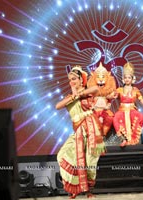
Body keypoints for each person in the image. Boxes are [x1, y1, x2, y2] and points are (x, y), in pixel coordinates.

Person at [56, 66, 105, 199]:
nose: (71, 81)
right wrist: (73, 96)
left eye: (74, 79)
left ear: (81, 80)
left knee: (90, 161)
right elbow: (58, 106)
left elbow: (96, 89)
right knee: (63, 156)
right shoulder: (70, 97)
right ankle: (74, 188)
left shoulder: (87, 92)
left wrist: (80, 94)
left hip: (91, 129)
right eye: (70, 79)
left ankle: (90, 192)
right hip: (78, 132)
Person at [111, 62, 143, 146]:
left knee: (140, 116)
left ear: (132, 79)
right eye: (125, 78)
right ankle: (123, 139)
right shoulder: (119, 90)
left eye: (129, 78)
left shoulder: (135, 90)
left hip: (132, 110)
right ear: (123, 79)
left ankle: (133, 139)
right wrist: (110, 95)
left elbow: (142, 101)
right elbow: (112, 96)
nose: (127, 79)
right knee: (115, 118)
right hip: (122, 111)